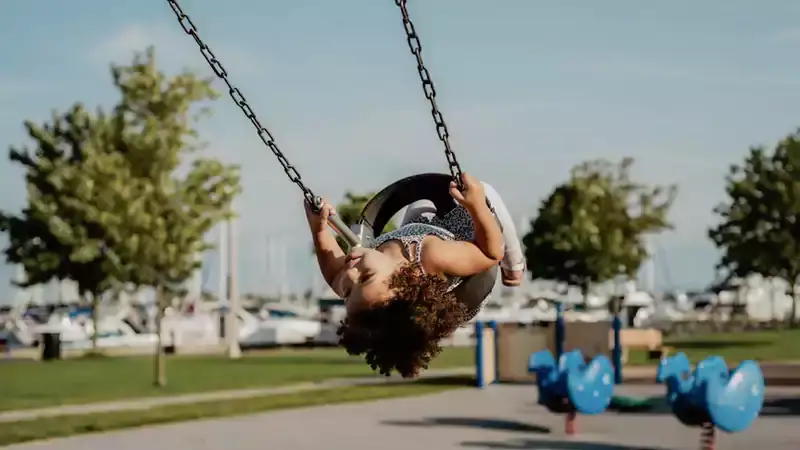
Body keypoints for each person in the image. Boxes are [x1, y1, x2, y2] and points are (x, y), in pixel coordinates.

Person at [306, 173, 524, 378]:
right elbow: (490, 254)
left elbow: (335, 275)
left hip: (418, 231)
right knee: (485, 192)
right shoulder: (433, 256)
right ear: (404, 280)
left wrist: (319, 230)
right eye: (366, 276)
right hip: (468, 243)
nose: (351, 271)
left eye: (347, 290)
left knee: (421, 203)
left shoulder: (363, 285)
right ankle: (515, 266)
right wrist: (476, 206)